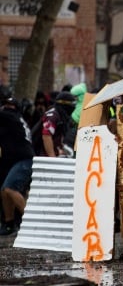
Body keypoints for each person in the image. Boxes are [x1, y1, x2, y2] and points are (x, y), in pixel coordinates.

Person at [0, 97, 34, 235]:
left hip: (25, 160)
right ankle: (9, 224)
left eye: (10, 105)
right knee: (4, 190)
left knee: (10, 189)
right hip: (19, 160)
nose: (6, 108)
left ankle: (32, 223)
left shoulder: (10, 117)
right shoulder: (16, 119)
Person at [34, 91, 77, 157]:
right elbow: (46, 135)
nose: (74, 106)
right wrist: (52, 157)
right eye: (72, 103)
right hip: (40, 156)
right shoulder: (52, 115)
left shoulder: (61, 116)